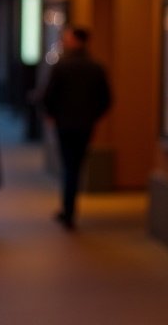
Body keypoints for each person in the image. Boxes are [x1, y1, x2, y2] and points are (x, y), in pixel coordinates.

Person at [41, 25, 112, 230]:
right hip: (85, 124)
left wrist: (52, 115)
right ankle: (69, 208)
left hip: (64, 123)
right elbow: (106, 99)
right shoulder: (96, 67)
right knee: (76, 165)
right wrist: (93, 116)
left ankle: (68, 209)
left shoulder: (62, 66)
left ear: (75, 40)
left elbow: (48, 95)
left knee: (68, 165)